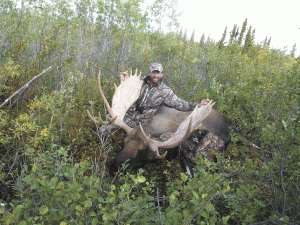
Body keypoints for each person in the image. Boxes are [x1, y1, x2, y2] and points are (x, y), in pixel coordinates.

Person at [119, 63, 210, 128]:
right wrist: (125, 80)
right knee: (105, 130)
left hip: (140, 127)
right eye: (153, 72)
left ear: (162, 74)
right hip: (124, 119)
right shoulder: (137, 82)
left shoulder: (165, 91)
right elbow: (124, 92)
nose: (155, 75)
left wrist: (198, 105)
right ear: (149, 73)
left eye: (158, 73)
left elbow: (181, 104)